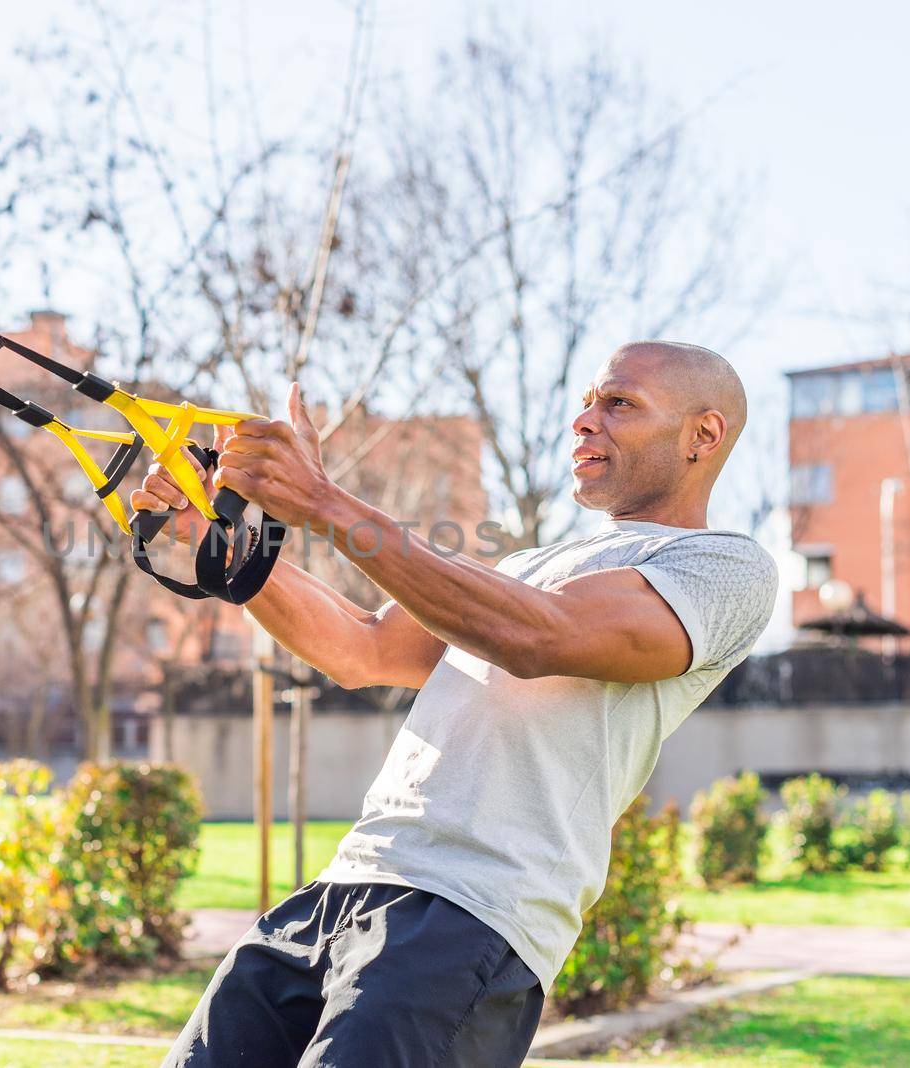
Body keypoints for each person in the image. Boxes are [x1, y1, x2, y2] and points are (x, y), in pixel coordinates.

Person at [137, 341, 780, 1067]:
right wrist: (210, 531)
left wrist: (320, 500)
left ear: (704, 434)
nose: (583, 421)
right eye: (586, 401)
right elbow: (361, 649)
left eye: (618, 403)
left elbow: (537, 636)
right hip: (341, 886)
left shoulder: (724, 568)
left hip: (468, 914)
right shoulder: (526, 569)